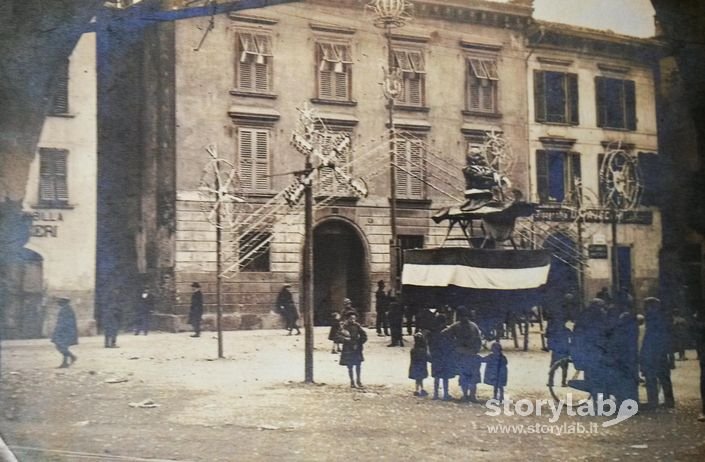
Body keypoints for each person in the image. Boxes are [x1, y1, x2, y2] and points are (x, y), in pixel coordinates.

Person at [640, 297, 675, 409]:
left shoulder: (651, 319)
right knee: (664, 377)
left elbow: (649, 338)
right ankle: (669, 401)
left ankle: (653, 401)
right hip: (661, 352)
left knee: (651, 378)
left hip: (653, 352)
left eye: (646, 306)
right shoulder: (662, 318)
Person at [443, 306, 483, 402]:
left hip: (461, 353)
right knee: (473, 376)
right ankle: (472, 396)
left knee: (464, 375)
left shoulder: (456, 326)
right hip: (472, 353)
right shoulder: (474, 326)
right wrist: (476, 350)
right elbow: (479, 340)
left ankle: (465, 395)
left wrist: (453, 345)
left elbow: (444, 334)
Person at [428, 314, 455, 400]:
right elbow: (451, 343)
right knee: (445, 377)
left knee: (437, 376)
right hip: (445, 356)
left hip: (436, 356)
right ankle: (445, 394)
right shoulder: (447, 331)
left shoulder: (432, 331)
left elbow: (430, 344)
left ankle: (436, 394)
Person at [337, 311, 367, 388]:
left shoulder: (357, 326)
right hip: (348, 348)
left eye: (354, 318)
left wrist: (360, 343)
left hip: (356, 347)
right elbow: (338, 336)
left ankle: (359, 380)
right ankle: (352, 382)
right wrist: (345, 339)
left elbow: (364, 335)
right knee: (350, 366)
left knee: (358, 365)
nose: (353, 320)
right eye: (351, 318)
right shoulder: (344, 327)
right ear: (347, 319)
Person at [51, 298, 78, 368]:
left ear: (63, 302)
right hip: (64, 331)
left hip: (65, 331)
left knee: (61, 346)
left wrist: (59, 330)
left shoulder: (66, 309)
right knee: (62, 346)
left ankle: (69, 359)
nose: (58, 303)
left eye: (59, 302)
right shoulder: (66, 309)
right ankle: (68, 359)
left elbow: (64, 322)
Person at [546, 320, 572, 388]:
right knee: (565, 368)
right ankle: (563, 382)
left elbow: (550, 340)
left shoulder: (555, 331)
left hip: (556, 351)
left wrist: (551, 347)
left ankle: (550, 381)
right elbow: (571, 340)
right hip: (564, 351)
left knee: (553, 367)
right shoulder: (567, 331)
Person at [409, 332, 429, 397]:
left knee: (418, 379)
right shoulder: (423, 350)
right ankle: (420, 389)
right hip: (422, 366)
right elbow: (427, 358)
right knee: (420, 378)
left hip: (415, 366)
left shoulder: (413, 350)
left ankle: (417, 389)